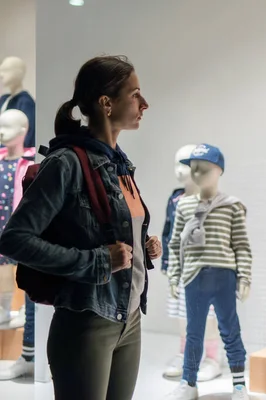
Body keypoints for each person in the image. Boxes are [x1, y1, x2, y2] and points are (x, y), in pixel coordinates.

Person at [0, 55, 158, 400]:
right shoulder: (65, 163)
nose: (144, 103)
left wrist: (142, 244)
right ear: (106, 103)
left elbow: (107, 230)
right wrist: (98, 261)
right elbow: (14, 240)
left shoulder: (120, 164)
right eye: (135, 94)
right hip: (86, 320)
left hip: (129, 318)